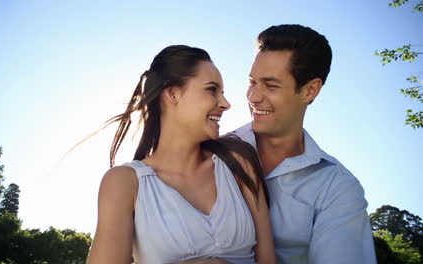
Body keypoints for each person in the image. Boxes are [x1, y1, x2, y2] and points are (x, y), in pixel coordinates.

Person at [87, 45, 276, 264]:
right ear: (173, 93)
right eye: (212, 89)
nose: (225, 104)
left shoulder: (239, 162)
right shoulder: (123, 183)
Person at [231, 24, 377, 263]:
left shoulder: (337, 188)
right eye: (252, 82)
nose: (254, 96)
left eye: (271, 85)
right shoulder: (211, 152)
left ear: (310, 90)